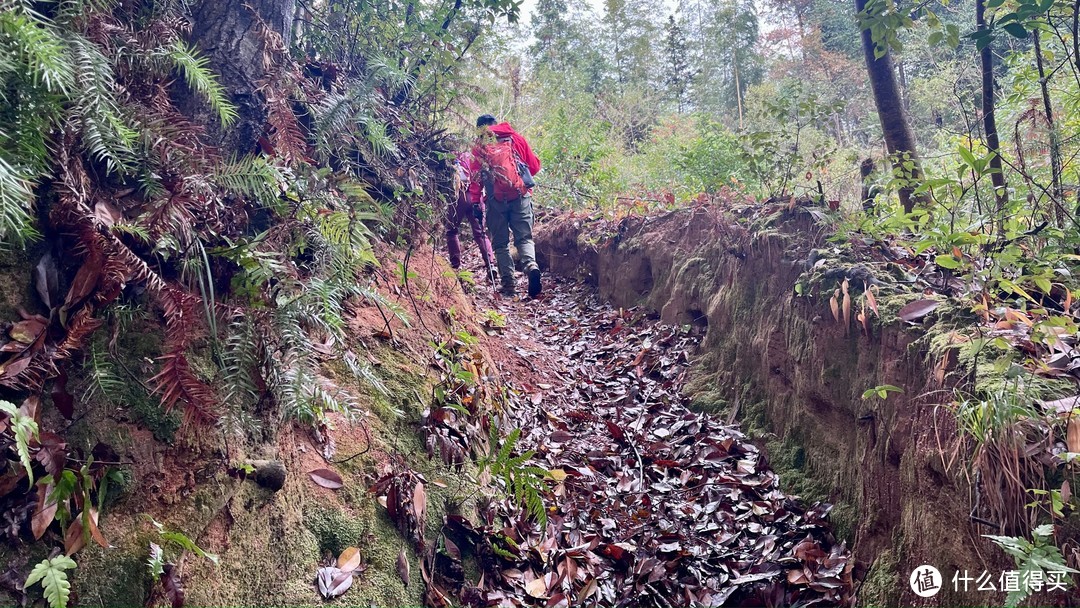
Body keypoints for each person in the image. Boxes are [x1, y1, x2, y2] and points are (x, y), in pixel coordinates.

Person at [469, 114, 543, 298]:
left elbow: (475, 179)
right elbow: (534, 167)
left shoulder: (479, 147)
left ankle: (509, 284)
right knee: (524, 238)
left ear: (480, 129)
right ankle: (531, 266)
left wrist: (475, 202)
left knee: (501, 243)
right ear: (496, 124)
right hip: (520, 196)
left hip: (495, 201)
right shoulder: (515, 137)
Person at [445, 147, 496, 279]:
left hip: (460, 196)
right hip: (476, 196)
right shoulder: (472, 156)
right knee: (480, 233)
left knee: (451, 230)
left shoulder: (450, 155)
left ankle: (455, 265)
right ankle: (490, 264)